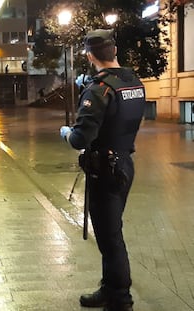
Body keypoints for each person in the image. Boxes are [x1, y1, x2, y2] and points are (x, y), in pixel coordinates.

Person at [59, 29, 146, 311]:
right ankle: (109, 287)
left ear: (89, 55)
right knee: (111, 231)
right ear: (115, 50)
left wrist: (65, 132)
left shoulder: (100, 89)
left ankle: (121, 299)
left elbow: (79, 139)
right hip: (124, 162)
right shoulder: (132, 81)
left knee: (110, 238)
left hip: (105, 170)